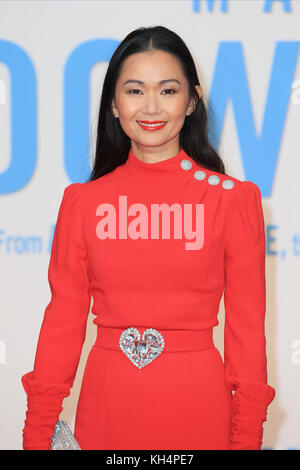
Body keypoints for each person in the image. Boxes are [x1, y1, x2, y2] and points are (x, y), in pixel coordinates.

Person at [21, 25, 276, 450]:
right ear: (114, 104)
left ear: (192, 100)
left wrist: (246, 436)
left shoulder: (232, 201)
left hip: (198, 407)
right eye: (135, 91)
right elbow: (62, 326)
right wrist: (36, 434)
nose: (151, 107)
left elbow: (247, 334)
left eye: (169, 90)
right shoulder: (83, 202)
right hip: (106, 406)